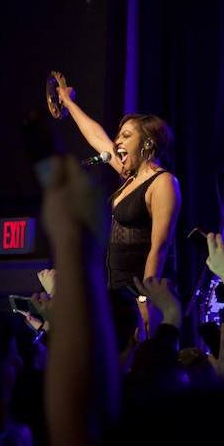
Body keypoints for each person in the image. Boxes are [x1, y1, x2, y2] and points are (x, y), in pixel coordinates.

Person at [52, 71, 181, 334]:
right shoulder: (128, 177)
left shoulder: (163, 182)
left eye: (125, 136)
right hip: (115, 291)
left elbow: (159, 248)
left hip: (141, 292)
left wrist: (146, 299)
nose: (117, 142)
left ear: (147, 143)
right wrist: (68, 103)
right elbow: (97, 138)